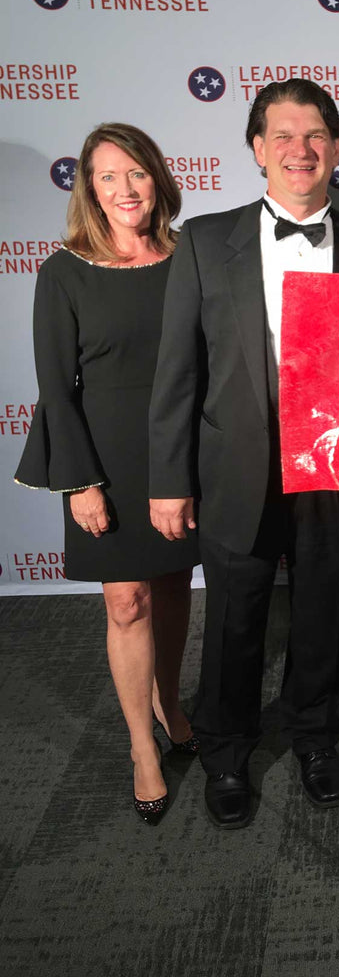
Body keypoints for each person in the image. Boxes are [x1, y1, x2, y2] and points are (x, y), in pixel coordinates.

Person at [147, 79, 339, 829]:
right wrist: (168, 481)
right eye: (283, 135)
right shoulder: (203, 238)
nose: (301, 149)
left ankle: (315, 736)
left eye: (316, 134)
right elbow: (177, 371)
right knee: (235, 616)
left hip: (334, 467)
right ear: (258, 149)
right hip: (237, 466)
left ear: (337, 149)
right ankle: (226, 750)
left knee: (324, 611)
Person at [15, 123, 199, 826]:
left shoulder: (191, 257)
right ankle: (139, 748)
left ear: (158, 178)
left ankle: (172, 702)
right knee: (127, 601)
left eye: (136, 173)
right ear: (89, 189)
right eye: (106, 176)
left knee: (176, 581)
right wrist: (80, 481)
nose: (124, 189)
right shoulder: (63, 270)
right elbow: (56, 387)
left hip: (178, 450)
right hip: (104, 456)